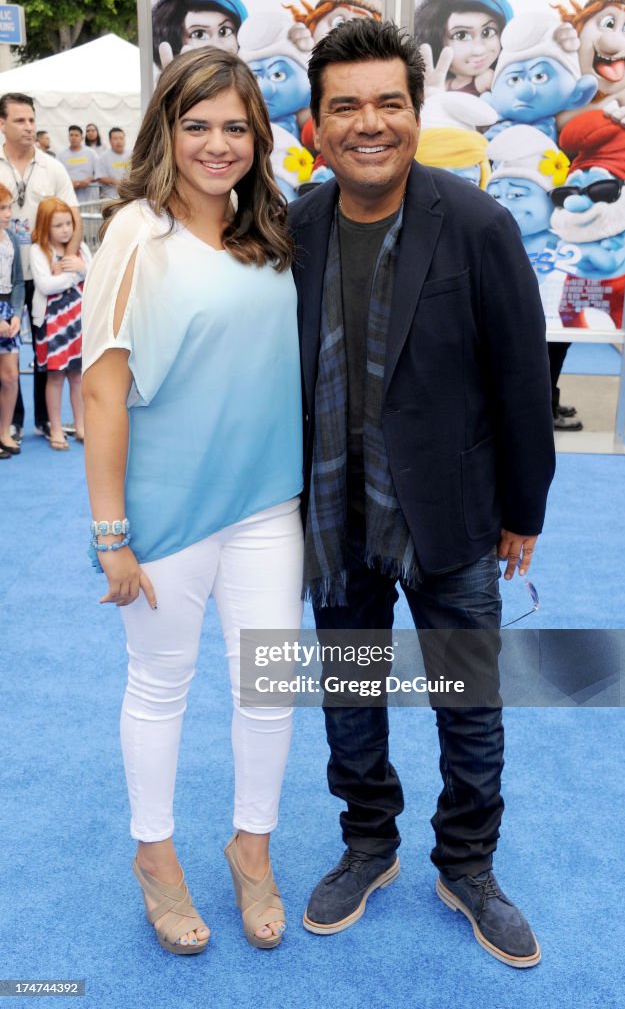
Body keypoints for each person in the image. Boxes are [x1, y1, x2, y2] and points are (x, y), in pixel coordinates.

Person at [288, 19, 555, 968]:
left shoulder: (477, 224)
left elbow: (525, 379)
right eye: (346, 106)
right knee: (350, 694)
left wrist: (523, 510)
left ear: (416, 109)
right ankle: (368, 845)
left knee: (467, 700)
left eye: (388, 103)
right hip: (333, 512)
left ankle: (469, 866)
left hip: (452, 508)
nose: (370, 123)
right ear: (317, 124)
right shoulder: (298, 227)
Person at [81, 47, 303, 955]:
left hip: (266, 504)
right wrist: (110, 534)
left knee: (270, 688)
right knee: (161, 687)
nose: (218, 144)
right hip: (166, 508)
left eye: (236, 127)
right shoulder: (136, 231)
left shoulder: (273, 231)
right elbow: (103, 387)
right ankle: (157, 860)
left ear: (259, 136)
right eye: (198, 125)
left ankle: (252, 849)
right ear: (167, 130)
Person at [0, 92, 82, 440]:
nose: (29, 127)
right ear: (1, 124)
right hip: (4, 281)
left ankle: (46, 421)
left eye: (32, 120)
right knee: (7, 357)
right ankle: (11, 422)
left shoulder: (53, 167)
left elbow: (75, 215)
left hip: (46, 277)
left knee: (46, 351)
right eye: (20, 120)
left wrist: (69, 262)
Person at [30, 198, 89, 450]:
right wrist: (73, 275)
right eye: (58, 225)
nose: (65, 230)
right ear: (45, 227)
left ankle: (81, 425)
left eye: (68, 224)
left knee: (77, 376)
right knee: (55, 377)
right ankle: (55, 427)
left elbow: (95, 273)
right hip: (52, 323)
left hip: (78, 320)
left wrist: (79, 270)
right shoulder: (37, 251)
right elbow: (45, 285)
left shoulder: (81, 248)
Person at [0, 183, 24, 458]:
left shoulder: (13, 239)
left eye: (9, 208)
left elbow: (18, 281)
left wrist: (16, 314)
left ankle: (4, 430)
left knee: (10, 377)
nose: (8, 214)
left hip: (9, 309)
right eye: (2, 208)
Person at [57, 125, 98, 203]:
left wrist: (88, 180)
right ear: (68, 137)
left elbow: (100, 172)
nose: (73, 138)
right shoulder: (61, 155)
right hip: (68, 198)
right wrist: (70, 183)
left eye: (76, 135)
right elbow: (57, 175)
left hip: (89, 199)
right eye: (71, 135)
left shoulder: (91, 153)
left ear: (82, 138)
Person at [96, 128, 131, 200]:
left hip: (128, 197)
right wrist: (114, 181)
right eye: (115, 138)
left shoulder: (132, 155)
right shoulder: (103, 157)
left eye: (121, 138)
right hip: (110, 198)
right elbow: (100, 177)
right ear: (110, 141)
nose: (119, 141)